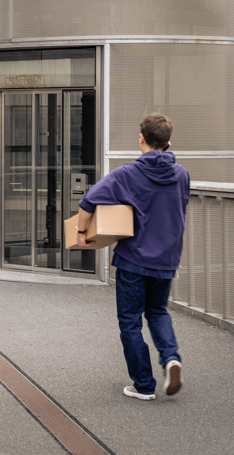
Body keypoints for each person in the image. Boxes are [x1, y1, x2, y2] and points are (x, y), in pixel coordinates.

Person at [75, 113, 190, 401]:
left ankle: (144, 385)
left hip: (134, 259)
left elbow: (89, 202)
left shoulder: (128, 174)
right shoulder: (182, 174)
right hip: (167, 258)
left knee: (130, 321)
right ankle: (171, 358)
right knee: (158, 312)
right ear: (167, 142)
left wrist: (80, 233)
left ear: (142, 139)